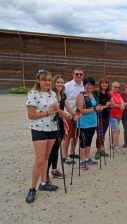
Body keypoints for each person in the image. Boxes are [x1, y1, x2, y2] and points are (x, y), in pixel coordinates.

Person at [25, 70, 59, 203]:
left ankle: (44, 183)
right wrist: (49, 112)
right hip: (39, 128)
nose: (47, 82)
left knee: (46, 156)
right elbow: (31, 115)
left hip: (53, 128)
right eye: (44, 79)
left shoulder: (53, 94)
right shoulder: (33, 94)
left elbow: (55, 110)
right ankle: (32, 188)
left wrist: (56, 109)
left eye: (49, 80)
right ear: (38, 80)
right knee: (39, 160)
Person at [47, 75, 80, 183]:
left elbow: (68, 107)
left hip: (59, 123)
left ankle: (54, 169)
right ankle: (45, 173)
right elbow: (59, 111)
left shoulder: (63, 94)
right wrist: (71, 117)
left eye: (62, 82)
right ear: (53, 83)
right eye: (58, 82)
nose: (60, 84)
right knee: (51, 149)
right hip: (50, 123)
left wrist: (74, 114)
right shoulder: (50, 95)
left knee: (57, 147)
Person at [76, 77, 101, 170]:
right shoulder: (81, 95)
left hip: (93, 121)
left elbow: (96, 106)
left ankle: (87, 158)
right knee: (83, 142)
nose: (90, 86)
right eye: (88, 84)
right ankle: (82, 161)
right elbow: (80, 110)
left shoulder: (93, 95)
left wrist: (99, 108)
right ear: (84, 85)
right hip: (83, 122)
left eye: (91, 85)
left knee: (89, 141)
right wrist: (94, 109)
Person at [62, 68, 84, 165]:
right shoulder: (67, 86)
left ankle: (72, 152)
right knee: (67, 136)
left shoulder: (84, 85)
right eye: (77, 74)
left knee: (76, 134)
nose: (79, 76)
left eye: (80, 74)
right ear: (73, 75)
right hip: (69, 115)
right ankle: (64, 156)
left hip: (79, 115)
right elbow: (63, 100)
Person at [93, 78, 111, 159]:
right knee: (99, 134)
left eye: (106, 83)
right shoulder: (96, 93)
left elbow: (110, 104)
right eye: (102, 83)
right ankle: (98, 150)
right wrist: (106, 106)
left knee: (103, 134)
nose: (104, 84)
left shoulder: (108, 94)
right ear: (100, 84)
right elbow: (97, 106)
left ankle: (102, 148)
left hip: (106, 116)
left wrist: (109, 105)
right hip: (98, 116)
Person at [110, 81, 125, 153]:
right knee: (117, 130)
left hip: (119, 114)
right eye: (115, 87)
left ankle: (112, 143)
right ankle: (117, 147)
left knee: (114, 130)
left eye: (118, 87)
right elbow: (113, 104)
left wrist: (122, 105)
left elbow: (122, 102)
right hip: (112, 114)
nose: (117, 88)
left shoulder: (119, 95)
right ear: (112, 87)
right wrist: (122, 106)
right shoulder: (110, 94)